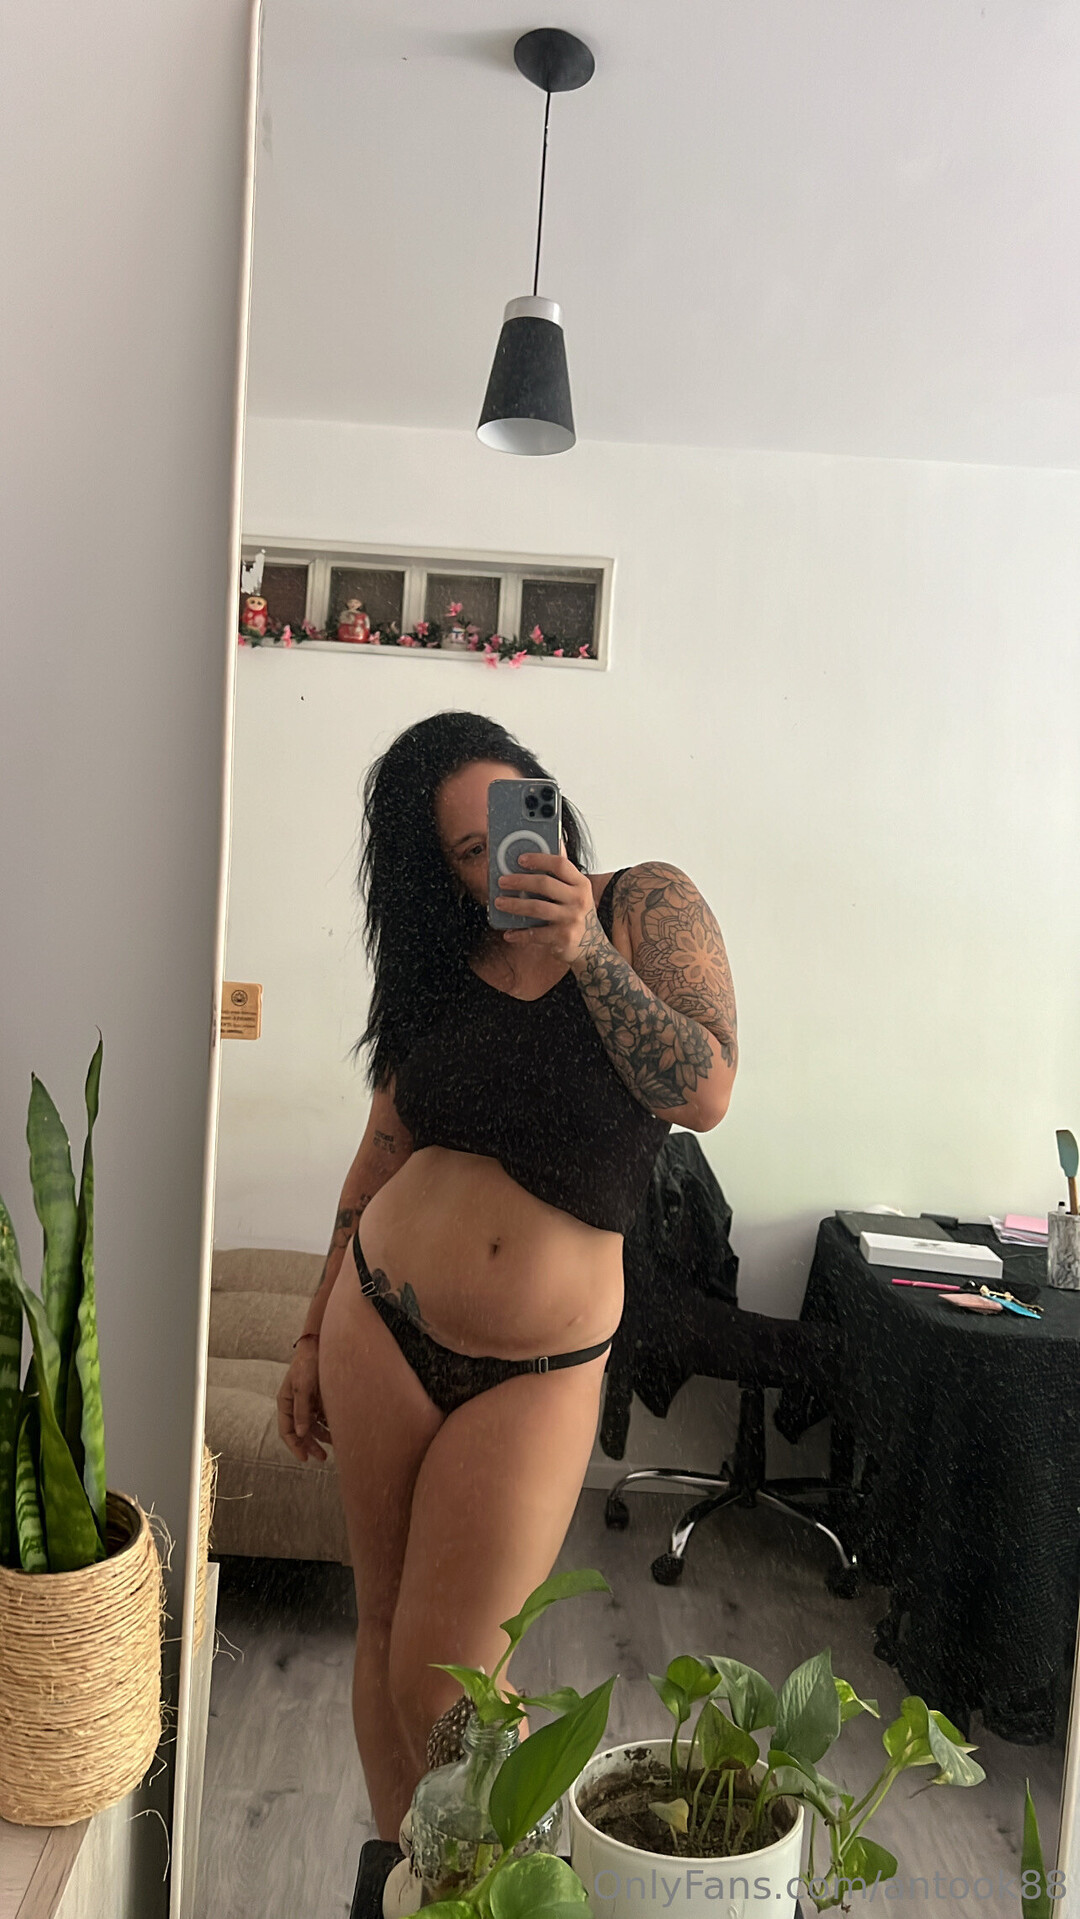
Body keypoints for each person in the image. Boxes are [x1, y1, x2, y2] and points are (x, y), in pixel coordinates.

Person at [275, 711, 738, 1838]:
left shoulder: (642, 904)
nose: (503, 854)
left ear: (545, 794)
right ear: (439, 870)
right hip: (381, 1320)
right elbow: (384, 1146)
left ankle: (503, 1894)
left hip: (540, 1362)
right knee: (382, 1635)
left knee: (453, 1681)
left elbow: (706, 1091)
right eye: (469, 849)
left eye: (510, 812)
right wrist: (312, 1327)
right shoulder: (442, 965)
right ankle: (407, 1880)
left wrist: (586, 951)